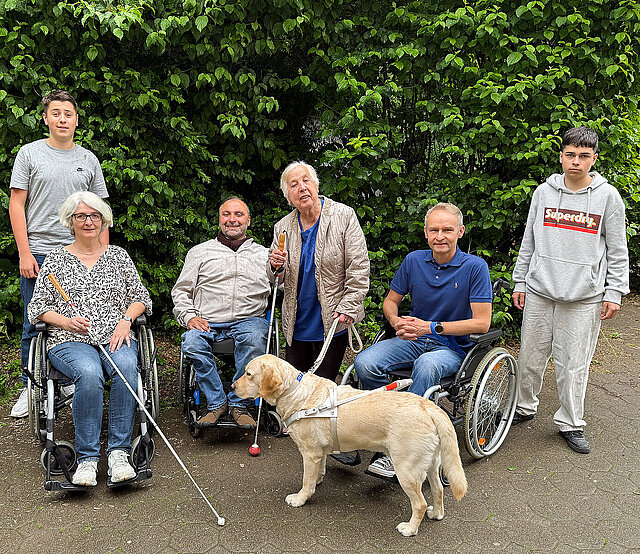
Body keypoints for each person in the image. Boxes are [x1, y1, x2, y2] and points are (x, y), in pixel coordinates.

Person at [511, 126, 629, 454]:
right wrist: (521, 281)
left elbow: (618, 250)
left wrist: (614, 291)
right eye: (570, 154)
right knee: (530, 357)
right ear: (561, 156)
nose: (576, 161)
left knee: (573, 365)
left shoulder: (607, 197)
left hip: (583, 297)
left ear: (594, 159)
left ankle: (571, 422)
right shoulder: (543, 193)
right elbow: (529, 240)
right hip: (540, 291)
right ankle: (523, 406)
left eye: (583, 156)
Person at [352, 202, 492, 479]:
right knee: (364, 363)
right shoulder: (414, 261)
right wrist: (396, 322)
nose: (440, 236)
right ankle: (390, 422)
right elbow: (390, 302)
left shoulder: (475, 267)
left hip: (453, 346)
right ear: (426, 233)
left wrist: (431, 327)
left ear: (460, 232)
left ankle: (405, 443)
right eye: (434, 230)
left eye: (447, 230)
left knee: (427, 366)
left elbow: (482, 323)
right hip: (414, 339)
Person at [28, 191, 151, 486]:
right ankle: (87, 460)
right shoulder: (56, 260)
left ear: (103, 220)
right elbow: (37, 308)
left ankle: (118, 454)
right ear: (70, 221)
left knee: (125, 368)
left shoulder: (118, 256)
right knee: (89, 371)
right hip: (69, 339)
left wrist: (125, 320)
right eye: (81, 216)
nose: (88, 222)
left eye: (94, 215)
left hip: (115, 334)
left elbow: (141, 298)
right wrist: (66, 322)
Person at [9, 90, 108, 418]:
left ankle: (67, 380)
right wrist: (24, 253)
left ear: (76, 120)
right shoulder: (29, 154)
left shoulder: (88, 160)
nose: (62, 119)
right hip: (39, 252)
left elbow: (100, 212)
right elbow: (16, 205)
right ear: (45, 118)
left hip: (81, 253)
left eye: (68, 114)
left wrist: (103, 255)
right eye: (56, 113)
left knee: (79, 318)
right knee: (35, 322)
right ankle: (31, 386)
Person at [172, 197, 270, 429]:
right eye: (226, 214)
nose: (232, 219)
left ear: (248, 220)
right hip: (208, 320)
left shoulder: (264, 254)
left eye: (238, 214)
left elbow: (284, 285)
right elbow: (181, 291)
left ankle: (239, 404)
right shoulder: (199, 252)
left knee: (255, 338)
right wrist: (189, 316)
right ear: (219, 219)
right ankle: (217, 403)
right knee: (192, 343)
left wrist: (281, 268)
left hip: (249, 319)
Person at [268, 161, 369, 381]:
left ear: (316, 185)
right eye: (294, 185)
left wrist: (349, 306)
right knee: (295, 386)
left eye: (306, 180)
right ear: (288, 197)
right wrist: (275, 265)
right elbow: (276, 278)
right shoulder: (282, 227)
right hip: (297, 321)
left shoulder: (343, 216)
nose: (302, 187)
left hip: (333, 318)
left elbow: (359, 268)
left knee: (322, 387)